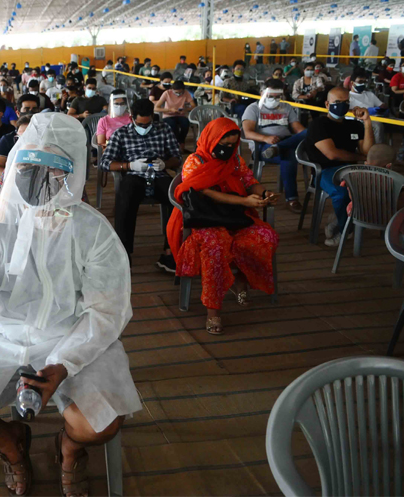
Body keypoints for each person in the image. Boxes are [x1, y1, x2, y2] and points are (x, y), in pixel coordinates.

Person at [0, 113, 141, 497]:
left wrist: (64, 362)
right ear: (14, 166)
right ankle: (12, 443)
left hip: (71, 337)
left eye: (54, 167)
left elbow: (106, 312)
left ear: (74, 172)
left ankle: (70, 447)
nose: (37, 176)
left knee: (99, 423)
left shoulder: (94, 234)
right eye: (28, 165)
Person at [167, 117, 279, 335]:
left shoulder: (235, 161)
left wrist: (264, 193)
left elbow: (249, 182)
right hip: (206, 219)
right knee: (215, 248)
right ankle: (213, 311)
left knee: (266, 236)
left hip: (234, 216)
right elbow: (205, 193)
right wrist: (244, 201)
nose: (227, 149)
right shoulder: (195, 161)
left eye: (232, 145)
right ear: (211, 140)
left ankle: (240, 278)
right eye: (223, 144)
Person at [100, 99, 181, 272]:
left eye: (148, 123)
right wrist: (129, 165)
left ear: (153, 117)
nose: (144, 128)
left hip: (158, 172)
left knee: (176, 197)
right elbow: (105, 162)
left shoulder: (164, 129)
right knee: (125, 197)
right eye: (139, 124)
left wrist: (165, 164)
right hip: (134, 174)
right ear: (131, 118)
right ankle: (123, 252)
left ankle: (170, 251)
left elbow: (176, 157)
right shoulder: (121, 134)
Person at [302, 87, 375, 246]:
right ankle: (346, 230)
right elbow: (332, 154)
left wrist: (367, 122)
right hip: (324, 171)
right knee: (342, 193)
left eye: (346, 102)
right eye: (337, 102)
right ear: (327, 105)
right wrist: (360, 157)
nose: (342, 106)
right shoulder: (319, 124)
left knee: (375, 187)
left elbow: (368, 151)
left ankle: (341, 216)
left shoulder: (354, 126)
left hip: (352, 170)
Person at [242, 79, 307, 213]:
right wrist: (265, 138)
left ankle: (279, 147)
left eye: (278, 96)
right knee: (289, 157)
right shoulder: (253, 108)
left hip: (285, 141)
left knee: (309, 132)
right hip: (263, 146)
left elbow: (297, 129)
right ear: (262, 93)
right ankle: (292, 199)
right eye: (271, 96)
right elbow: (248, 133)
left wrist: (307, 135)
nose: (274, 99)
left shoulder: (286, 107)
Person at [156, 80, 196, 152]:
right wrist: (169, 110)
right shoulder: (167, 93)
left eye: (180, 92)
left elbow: (193, 105)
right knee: (173, 126)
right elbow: (156, 108)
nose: (178, 94)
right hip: (168, 115)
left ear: (183, 90)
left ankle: (181, 143)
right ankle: (177, 146)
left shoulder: (186, 93)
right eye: (176, 92)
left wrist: (185, 109)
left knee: (185, 124)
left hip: (180, 115)